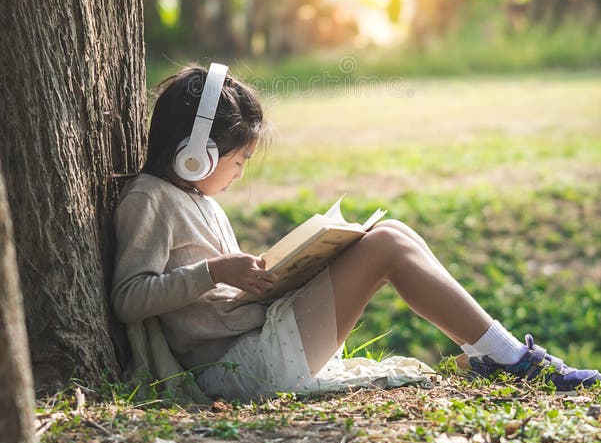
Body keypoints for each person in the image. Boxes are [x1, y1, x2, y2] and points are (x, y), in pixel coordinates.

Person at [112, 64, 600, 401]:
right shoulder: (149, 199)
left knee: (391, 232)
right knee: (385, 245)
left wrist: (277, 271)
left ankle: (500, 353)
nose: (239, 173)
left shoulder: (199, 199)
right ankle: (512, 360)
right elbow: (128, 298)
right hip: (240, 368)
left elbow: (217, 291)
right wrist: (215, 270)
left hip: (259, 338)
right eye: (238, 162)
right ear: (197, 155)